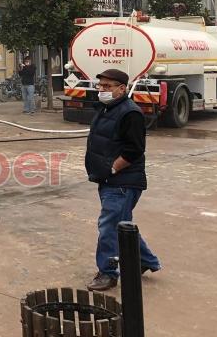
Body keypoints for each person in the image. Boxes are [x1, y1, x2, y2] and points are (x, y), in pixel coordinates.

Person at [85, 68, 161, 291]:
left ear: (122, 88)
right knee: (121, 224)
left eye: (108, 86)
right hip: (107, 179)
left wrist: (113, 169)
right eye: (100, 86)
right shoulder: (106, 108)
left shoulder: (130, 113)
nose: (102, 90)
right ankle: (145, 260)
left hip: (123, 182)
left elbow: (134, 150)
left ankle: (108, 273)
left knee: (109, 226)